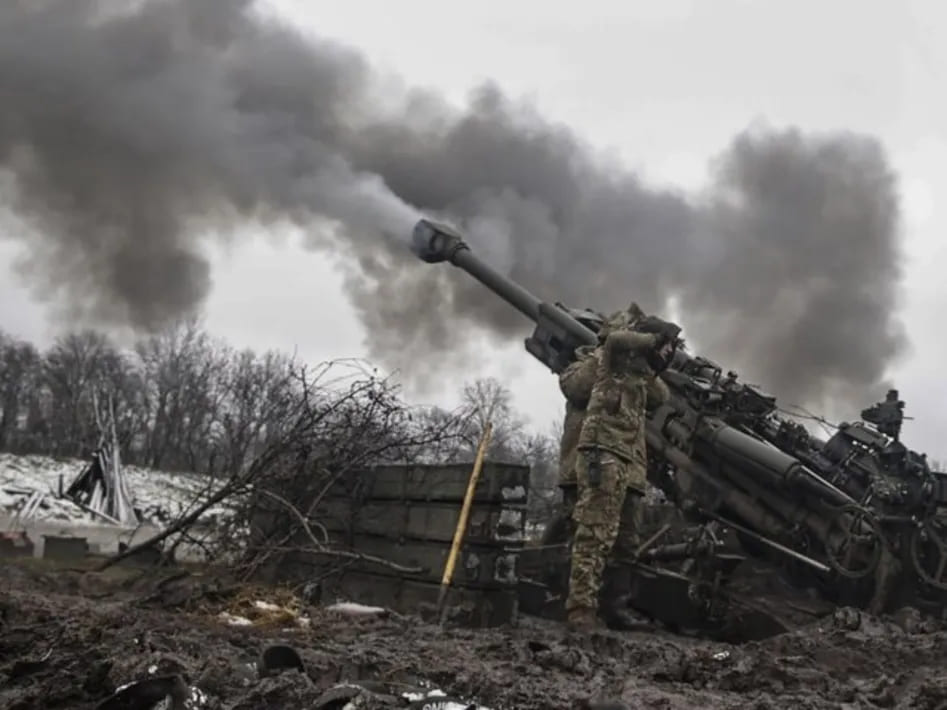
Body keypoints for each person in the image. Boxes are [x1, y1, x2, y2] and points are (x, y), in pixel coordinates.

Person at [565, 311, 682, 631]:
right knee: (594, 532)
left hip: (628, 459)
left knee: (625, 541)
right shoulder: (609, 358)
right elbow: (616, 340)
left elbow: (663, 397)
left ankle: (614, 607)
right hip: (602, 450)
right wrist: (652, 339)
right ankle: (581, 609)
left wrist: (654, 361)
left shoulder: (638, 374)